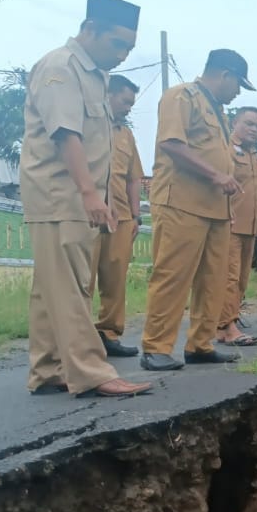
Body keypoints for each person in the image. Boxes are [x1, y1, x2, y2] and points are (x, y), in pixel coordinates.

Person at [19, 0, 151, 398]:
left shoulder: (97, 76)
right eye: (118, 44)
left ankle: (48, 369)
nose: (124, 55)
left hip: (75, 194)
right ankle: (91, 371)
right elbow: (65, 134)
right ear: (89, 30)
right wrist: (90, 193)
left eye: (130, 48)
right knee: (71, 285)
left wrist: (101, 195)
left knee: (51, 286)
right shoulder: (61, 67)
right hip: (61, 195)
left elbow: (98, 145)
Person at [139, 49, 253, 371]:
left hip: (216, 209)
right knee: (172, 276)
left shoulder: (218, 110)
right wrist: (217, 174)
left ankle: (200, 345)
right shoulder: (181, 97)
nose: (238, 92)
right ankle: (156, 348)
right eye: (238, 85)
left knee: (213, 281)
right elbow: (170, 144)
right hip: (182, 204)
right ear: (225, 75)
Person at [89, 74, 144, 357]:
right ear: (108, 95)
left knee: (115, 280)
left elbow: (135, 178)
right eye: (125, 101)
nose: (128, 108)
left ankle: (108, 333)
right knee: (82, 279)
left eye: (131, 103)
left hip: (120, 216)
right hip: (87, 213)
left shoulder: (126, 134)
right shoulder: (87, 124)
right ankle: (78, 338)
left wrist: (136, 216)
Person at [216, 107, 257, 346]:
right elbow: (217, 181)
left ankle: (223, 328)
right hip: (231, 225)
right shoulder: (225, 148)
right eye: (249, 123)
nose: (254, 129)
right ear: (235, 122)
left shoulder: (254, 154)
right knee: (229, 278)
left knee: (242, 279)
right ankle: (229, 326)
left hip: (251, 227)